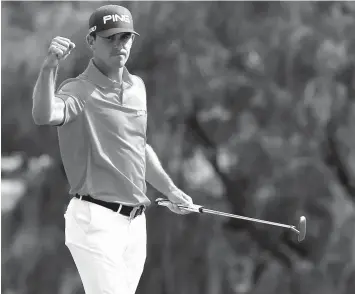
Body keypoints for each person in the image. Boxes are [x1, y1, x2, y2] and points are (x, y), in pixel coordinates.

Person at [32, 4, 194, 294]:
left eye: (125, 38)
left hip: (135, 224)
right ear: (91, 41)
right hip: (95, 221)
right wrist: (49, 68)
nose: (119, 45)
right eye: (110, 38)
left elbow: (138, 147)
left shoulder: (137, 88)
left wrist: (170, 190)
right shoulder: (77, 90)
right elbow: (44, 115)